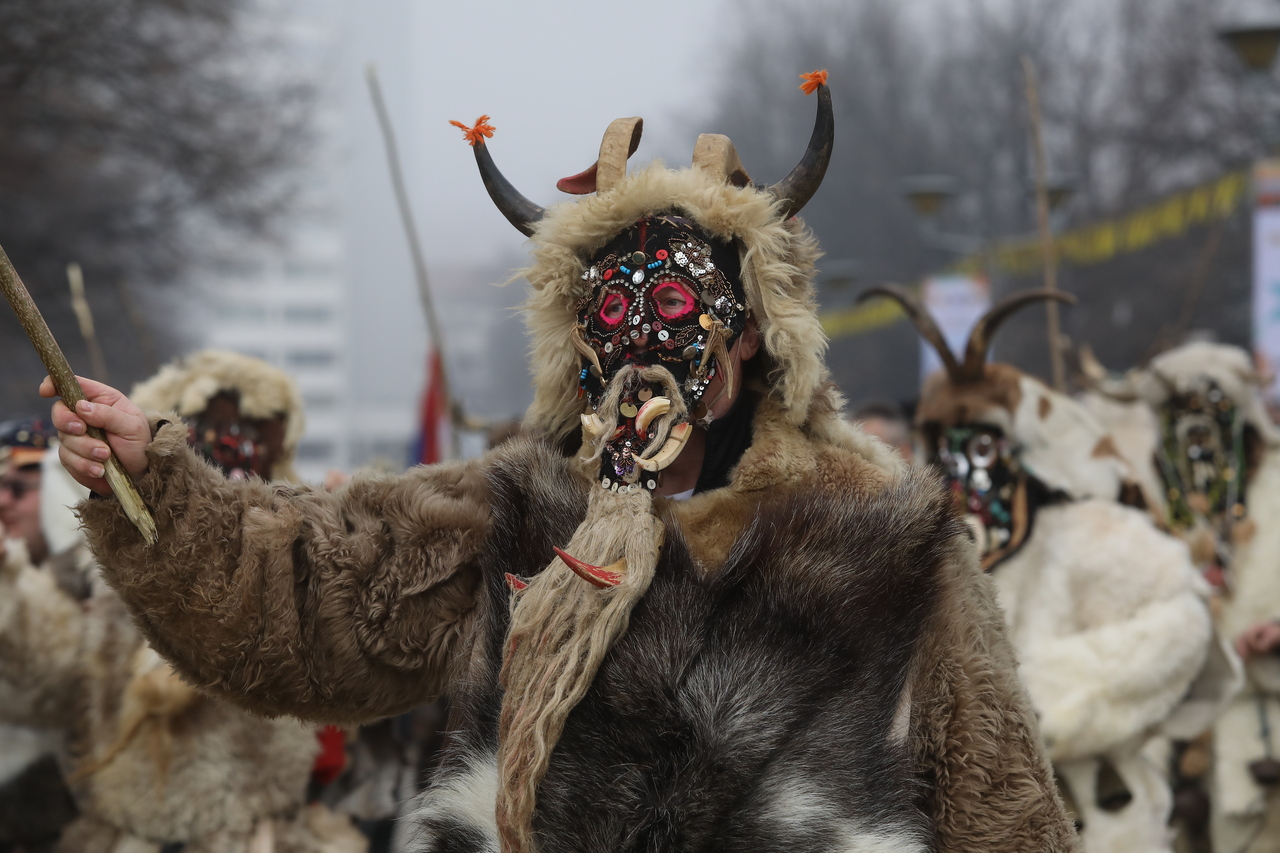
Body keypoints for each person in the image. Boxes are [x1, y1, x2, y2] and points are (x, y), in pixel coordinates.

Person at [48, 73, 1074, 852]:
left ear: (751, 330)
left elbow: (993, 784)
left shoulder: (874, 522)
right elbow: (311, 593)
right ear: (574, 337)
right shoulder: (522, 499)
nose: (640, 343)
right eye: (609, 310)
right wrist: (153, 486)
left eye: (673, 306)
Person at [864, 286, 1225, 853]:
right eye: (949, 451)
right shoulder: (916, 564)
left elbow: (1181, 624)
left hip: (1103, 817)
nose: (969, 474)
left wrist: (1038, 707)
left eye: (984, 449)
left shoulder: (1095, 536)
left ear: (1019, 452)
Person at [0, 352, 366, 853]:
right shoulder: (99, 570)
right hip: (126, 834)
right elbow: (50, 688)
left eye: (245, 435)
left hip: (260, 834)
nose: (229, 449)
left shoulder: (299, 561)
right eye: (206, 434)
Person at [1088, 341, 1280, 853]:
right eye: (1178, 413)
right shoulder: (1138, 501)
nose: (1197, 432)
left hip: (1265, 727)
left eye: (1212, 411)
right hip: (1165, 734)